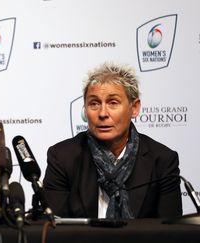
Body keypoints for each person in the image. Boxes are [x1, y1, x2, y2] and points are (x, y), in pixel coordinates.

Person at [43, 62, 182, 219]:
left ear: (134, 108)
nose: (102, 113)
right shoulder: (62, 157)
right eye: (94, 103)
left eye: (113, 103)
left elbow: (170, 232)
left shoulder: (162, 160)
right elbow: (54, 228)